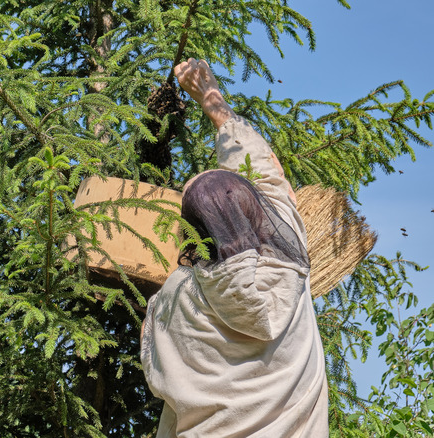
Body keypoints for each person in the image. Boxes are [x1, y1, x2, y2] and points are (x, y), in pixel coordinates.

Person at [140, 59, 329, 437]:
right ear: (254, 209)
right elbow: (268, 170)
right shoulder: (291, 262)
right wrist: (212, 98)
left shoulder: (177, 296)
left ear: (195, 230)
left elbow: (155, 365)